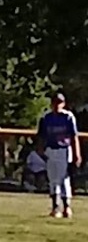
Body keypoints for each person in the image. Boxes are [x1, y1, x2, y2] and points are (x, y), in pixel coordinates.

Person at [35, 89, 81, 219]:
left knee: (64, 179)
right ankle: (56, 207)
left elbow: (74, 136)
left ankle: (66, 207)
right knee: (53, 180)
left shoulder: (68, 117)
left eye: (60, 102)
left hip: (64, 150)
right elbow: (41, 135)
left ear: (64, 103)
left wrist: (77, 153)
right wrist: (40, 149)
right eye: (55, 102)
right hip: (51, 150)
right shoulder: (46, 117)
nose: (57, 105)